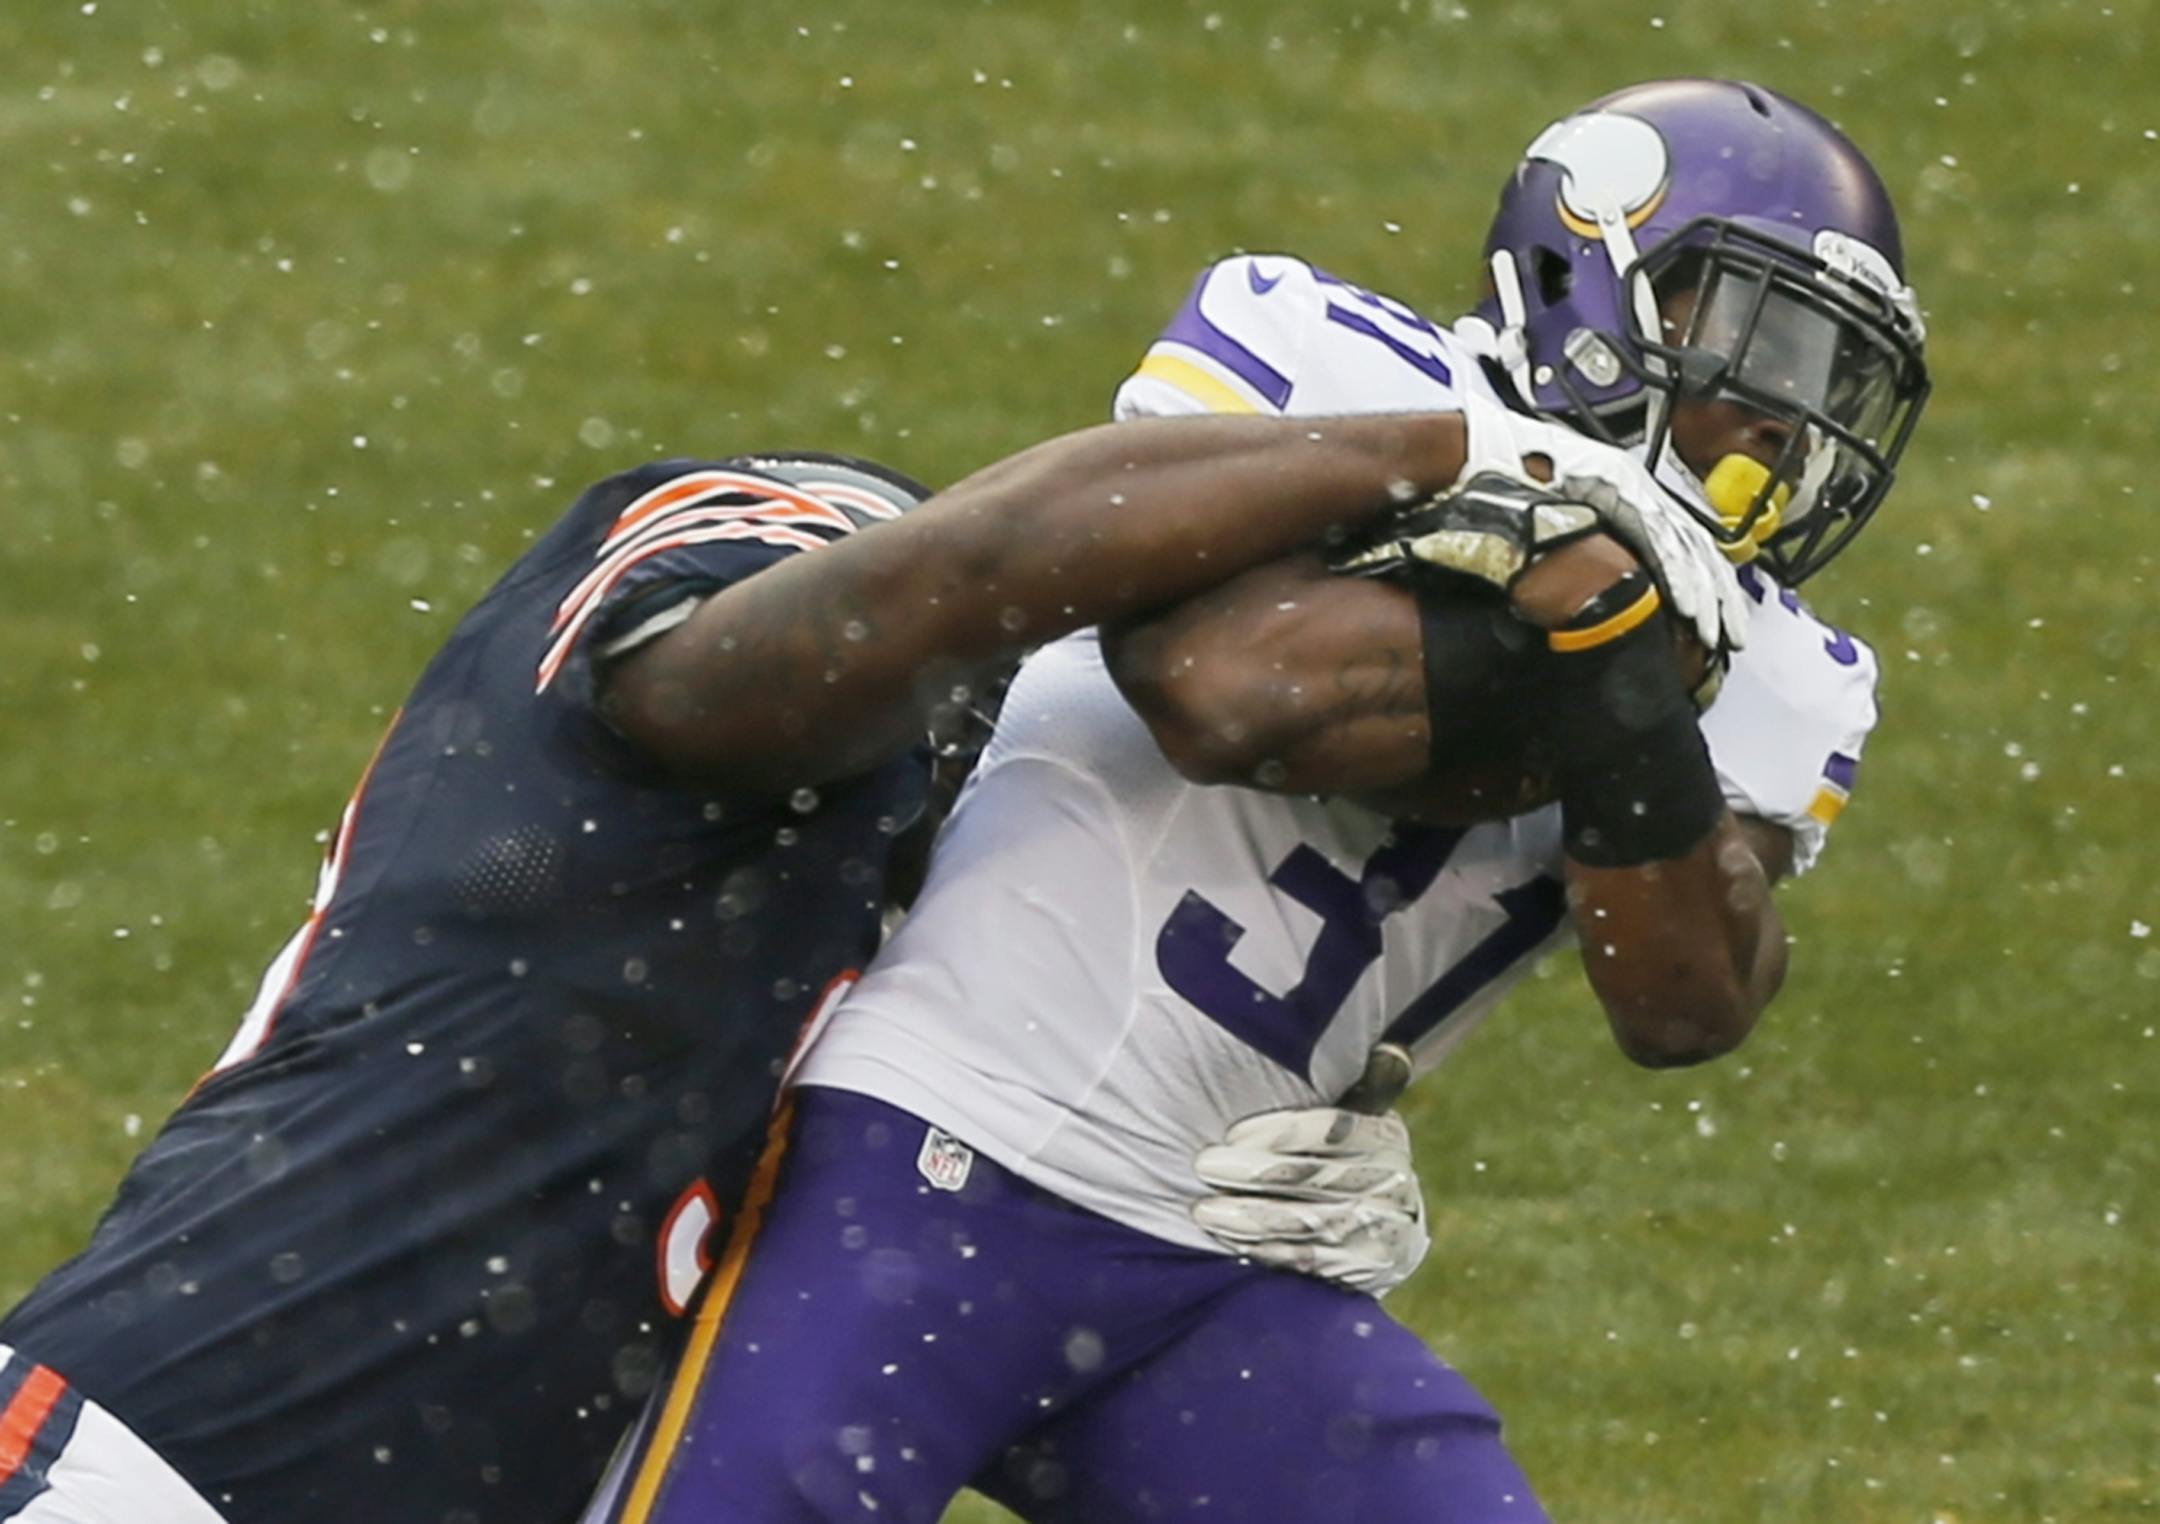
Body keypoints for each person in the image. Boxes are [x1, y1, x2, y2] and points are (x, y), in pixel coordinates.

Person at [584, 79, 1930, 1523]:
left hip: (1217, 1255)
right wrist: (1567, 620)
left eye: (1832, 375)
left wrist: (1627, 676)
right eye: (1759, 337)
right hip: (921, 1152)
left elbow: (1686, 999)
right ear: (1587, 281)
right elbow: (1219, 695)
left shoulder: (1783, 665)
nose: (1788, 418)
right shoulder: (1336, 360)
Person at [0, 411, 1690, 1524]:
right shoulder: (666, 667)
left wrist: (1215, 1174)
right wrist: (1468, 449)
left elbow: (970, 1157)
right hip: (147, 1455)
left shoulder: (823, 900)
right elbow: (963, 577)